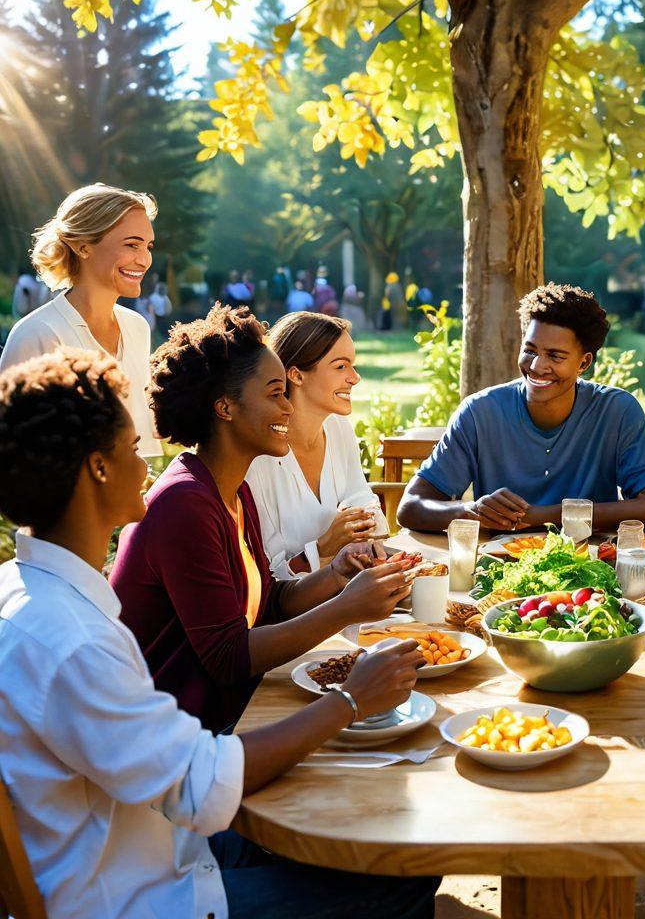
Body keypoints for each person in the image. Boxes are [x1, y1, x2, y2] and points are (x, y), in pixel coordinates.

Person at [0, 347, 438, 919]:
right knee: (405, 872)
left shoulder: (33, 591)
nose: (148, 467)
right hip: (143, 892)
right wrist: (352, 699)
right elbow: (202, 786)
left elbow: (263, 605)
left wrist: (333, 580)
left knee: (386, 831)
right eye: (133, 449)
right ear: (97, 468)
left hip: (160, 837)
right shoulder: (72, 641)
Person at [110, 305, 416, 733]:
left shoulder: (228, 492)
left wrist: (336, 575)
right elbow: (229, 655)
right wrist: (346, 607)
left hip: (227, 710)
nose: (288, 408)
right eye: (275, 393)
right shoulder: (184, 504)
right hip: (174, 736)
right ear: (225, 407)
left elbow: (267, 601)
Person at [397, 283, 645, 533]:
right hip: (495, 570)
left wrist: (543, 516)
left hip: (590, 572)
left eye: (555, 356)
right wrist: (475, 512)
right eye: (530, 350)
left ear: (583, 363)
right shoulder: (479, 412)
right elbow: (410, 506)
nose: (536, 366)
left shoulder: (617, 411)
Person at [0, 183, 162, 456]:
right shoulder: (38, 334)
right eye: (132, 244)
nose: (145, 259)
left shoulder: (138, 328)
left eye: (148, 246)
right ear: (83, 246)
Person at [247, 312, 388, 578]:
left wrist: (364, 528)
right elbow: (269, 578)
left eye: (353, 365)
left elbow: (360, 495)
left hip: (347, 594)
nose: (355, 378)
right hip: (294, 615)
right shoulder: (258, 459)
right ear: (296, 375)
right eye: (341, 366)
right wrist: (324, 546)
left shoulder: (337, 427)